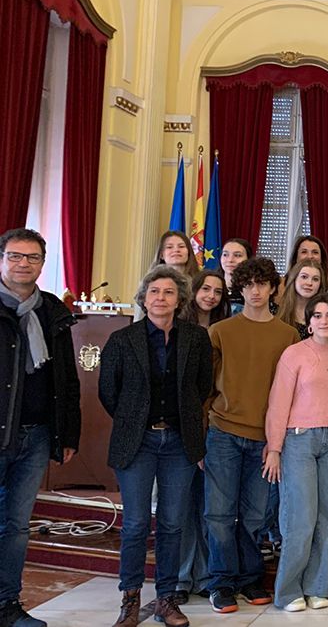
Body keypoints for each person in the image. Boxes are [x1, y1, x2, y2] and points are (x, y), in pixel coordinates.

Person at [98, 266, 212, 627]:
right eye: (154, 292)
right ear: (143, 298)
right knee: (133, 524)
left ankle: (166, 599)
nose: (160, 298)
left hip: (179, 442)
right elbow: (108, 392)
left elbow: (202, 387)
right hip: (138, 442)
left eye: (168, 292)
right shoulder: (122, 339)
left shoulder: (196, 338)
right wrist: (135, 420)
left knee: (172, 523)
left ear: (180, 300)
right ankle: (130, 599)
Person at [204, 256, 300, 613]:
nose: (255, 291)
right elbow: (205, 390)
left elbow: (289, 393)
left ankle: (249, 577)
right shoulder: (221, 332)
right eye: (248, 285)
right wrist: (201, 436)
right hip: (223, 432)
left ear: (273, 288)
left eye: (262, 284)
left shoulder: (288, 335)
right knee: (219, 512)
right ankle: (221, 581)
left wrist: (278, 441)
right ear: (239, 288)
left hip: (265, 437)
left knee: (256, 514)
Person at [0, 228, 80, 627]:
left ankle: (7, 605)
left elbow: (66, 379)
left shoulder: (52, 312)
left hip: (35, 435)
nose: (23, 264)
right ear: (2, 260)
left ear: (42, 264)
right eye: (15, 256)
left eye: (32, 257)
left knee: (16, 525)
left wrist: (69, 433)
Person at [263, 294, 328, 612]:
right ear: (308, 321)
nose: (323, 320)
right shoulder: (293, 354)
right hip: (298, 439)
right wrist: (274, 448)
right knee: (300, 516)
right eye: (317, 315)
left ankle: (320, 585)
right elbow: (278, 403)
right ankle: (287, 591)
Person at [174, 269, 226, 604]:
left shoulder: (224, 331)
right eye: (205, 288)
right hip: (181, 424)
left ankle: (206, 575)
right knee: (180, 505)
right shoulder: (179, 330)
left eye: (218, 291)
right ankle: (180, 578)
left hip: (215, 425)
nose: (210, 295)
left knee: (209, 506)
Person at [276, 259, 327, 339]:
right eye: (304, 277)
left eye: (315, 279)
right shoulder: (275, 311)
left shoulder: (325, 317)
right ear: (294, 279)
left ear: (320, 285)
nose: (309, 283)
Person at [219, 238, 252, 315]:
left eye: (237, 255)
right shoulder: (212, 284)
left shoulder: (253, 289)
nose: (230, 260)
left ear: (248, 259)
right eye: (225, 255)